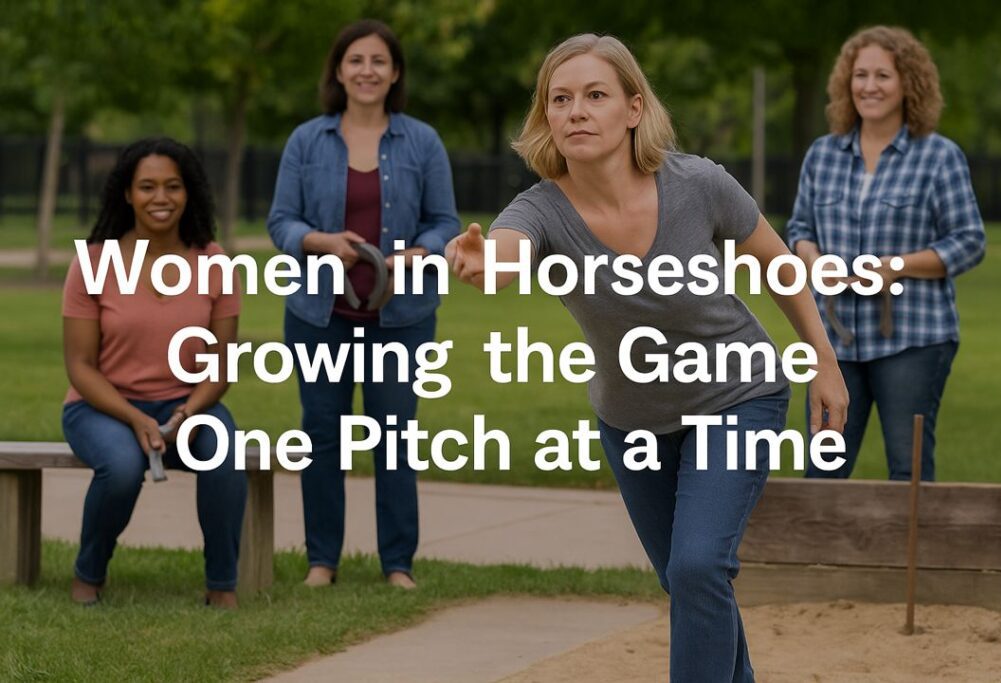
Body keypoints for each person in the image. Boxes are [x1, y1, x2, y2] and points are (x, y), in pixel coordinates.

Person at [447, 34, 848, 683]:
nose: (576, 110)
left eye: (595, 95)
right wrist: (481, 261)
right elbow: (506, 257)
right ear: (545, 116)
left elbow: (778, 264)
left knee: (696, 567)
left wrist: (822, 361)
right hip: (632, 420)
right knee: (689, 580)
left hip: (735, 396)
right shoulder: (541, 209)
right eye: (561, 98)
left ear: (634, 108)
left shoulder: (697, 184)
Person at [267, 19, 459, 589]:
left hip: (400, 321)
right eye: (356, 60)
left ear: (394, 72)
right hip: (318, 318)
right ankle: (321, 561)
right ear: (339, 71)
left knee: (394, 437)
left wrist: (412, 256)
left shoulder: (422, 141)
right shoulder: (306, 140)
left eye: (379, 61)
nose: (367, 70)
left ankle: (397, 564)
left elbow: (445, 223)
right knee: (322, 433)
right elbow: (281, 222)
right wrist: (322, 242)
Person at [787, 26, 985, 481]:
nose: (869, 86)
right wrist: (814, 260)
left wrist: (898, 267)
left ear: (908, 84)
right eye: (860, 75)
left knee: (907, 469)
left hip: (914, 338)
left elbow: (969, 239)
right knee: (824, 467)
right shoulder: (823, 155)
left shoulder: (939, 157)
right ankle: (820, 554)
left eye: (883, 75)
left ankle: (911, 555)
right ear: (846, 82)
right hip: (833, 340)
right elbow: (799, 227)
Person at [62, 138, 246, 608]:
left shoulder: (213, 260)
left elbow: (221, 362)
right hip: (100, 408)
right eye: (147, 186)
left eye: (172, 186)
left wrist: (188, 412)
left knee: (225, 454)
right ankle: (89, 573)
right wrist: (135, 418)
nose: (160, 198)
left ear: (189, 193)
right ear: (127, 194)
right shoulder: (94, 262)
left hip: (189, 404)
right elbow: (81, 367)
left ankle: (221, 585)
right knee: (122, 468)